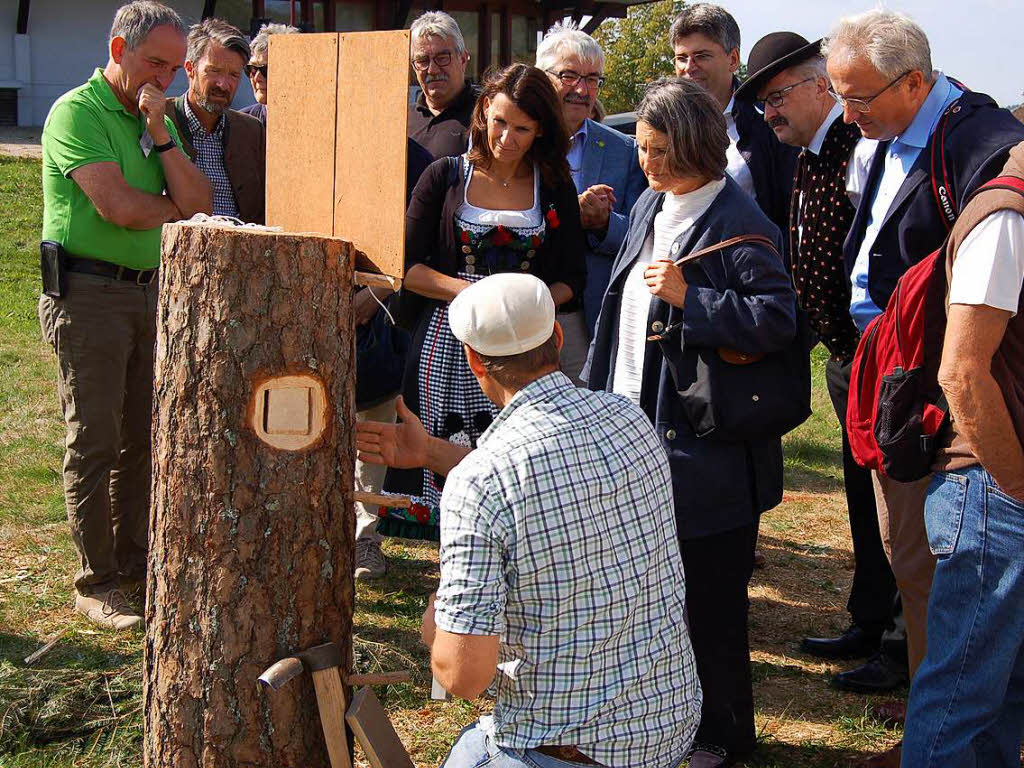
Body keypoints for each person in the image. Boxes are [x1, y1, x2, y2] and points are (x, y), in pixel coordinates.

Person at [357, 272, 702, 768]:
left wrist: (436, 621)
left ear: (474, 360)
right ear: (557, 337)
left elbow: (460, 676)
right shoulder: (629, 418)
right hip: (666, 725)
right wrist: (433, 453)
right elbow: (546, 476)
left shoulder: (482, 480)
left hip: (565, 750)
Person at [824, 10, 1024, 766]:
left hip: (941, 405)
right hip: (894, 377)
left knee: (943, 582)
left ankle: (934, 732)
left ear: (914, 82)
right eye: (842, 98)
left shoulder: (983, 148)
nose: (849, 116)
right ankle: (934, 729)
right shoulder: (885, 131)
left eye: (861, 99)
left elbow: (970, 354)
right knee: (913, 561)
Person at [583, 77, 797, 768]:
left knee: (710, 612)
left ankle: (726, 743)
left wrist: (692, 298)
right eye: (643, 148)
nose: (648, 162)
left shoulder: (741, 222)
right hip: (632, 432)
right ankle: (662, 726)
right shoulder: (652, 202)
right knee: (644, 602)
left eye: (662, 149)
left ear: (700, 144)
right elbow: (617, 314)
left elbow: (778, 321)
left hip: (704, 461)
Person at [735, 32, 907, 696]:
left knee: (893, 502)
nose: (769, 114)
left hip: (879, 355)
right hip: (845, 357)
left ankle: (898, 641)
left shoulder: (860, 145)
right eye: (761, 103)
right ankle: (870, 621)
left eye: (777, 97)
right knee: (864, 497)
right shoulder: (808, 153)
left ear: (820, 86)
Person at [38, 0, 212, 630]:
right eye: (154, 64)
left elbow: (196, 199)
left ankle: (135, 564)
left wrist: (162, 135)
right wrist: (166, 206)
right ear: (118, 51)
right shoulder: (76, 113)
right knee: (94, 439)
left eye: (173, 67)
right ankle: (95, 579)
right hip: (88, 294)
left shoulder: (158, 118)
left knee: (141, 437)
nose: (165, 78)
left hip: (148, 292)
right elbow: (117, 206)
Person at [379, 64, 585, 540]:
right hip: (450, 340)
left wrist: (525, 303)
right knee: (438, 439)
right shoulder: (444, 176)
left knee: (516, 445)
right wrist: (469, 293)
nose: (507, 138)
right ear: (482, 112)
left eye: (522, 128)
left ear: (541, 131)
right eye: (498, 121)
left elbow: (572, 277)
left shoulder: (553, 187)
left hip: (526, 346)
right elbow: (404, 267)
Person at [901, 141, 1024, 767]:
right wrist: (1019, 491)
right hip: (993, 494)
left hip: (1003, 492)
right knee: (959, 704)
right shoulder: (1007, 221)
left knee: (1003, 696)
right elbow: (963, 374)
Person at [536, 23, 647, 381]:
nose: (582, 90)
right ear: (542, 76)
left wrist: (602, 222)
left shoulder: (622, 149)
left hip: (588, 316)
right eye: (569, 76)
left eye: (593, 79)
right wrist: (570, 214)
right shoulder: (518, 141)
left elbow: (640, 233)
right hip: (528, 305)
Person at [669, 4, 797, 244]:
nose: (689, 68)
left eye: (701, 56)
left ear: (734, 59)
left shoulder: (768, 121)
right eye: (681, 58)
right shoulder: (665, 127)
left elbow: (789, 215)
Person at [165, 18, 265, 223]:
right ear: (190, 69)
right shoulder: (159, 120)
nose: (223, 84)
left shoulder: (251, 130)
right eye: (214, 71)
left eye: (234, 75)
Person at [407, 11, 478, 159]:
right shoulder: (403, 120)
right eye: (423, 61)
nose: (432, 70)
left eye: (442, 58)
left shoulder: (484, 117)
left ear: (463, 60)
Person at [239, 22, 299, 125]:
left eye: (266, 69)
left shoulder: (316, 122)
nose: (257, 77)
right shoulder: (239, 125)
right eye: (252, 69)